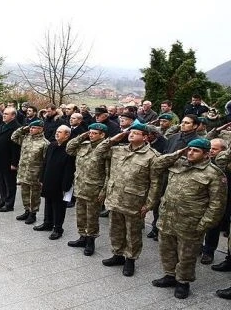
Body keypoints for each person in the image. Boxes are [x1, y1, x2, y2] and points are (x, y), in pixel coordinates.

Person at [150, 138, 227, 299]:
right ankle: (170, 276)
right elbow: (157, 164)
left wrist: (203, 225)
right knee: (167, 250)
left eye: (196, 150)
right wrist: (178, 152)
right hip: (167, 218)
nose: (190, 153)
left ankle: (183, 282)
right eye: (189, 149)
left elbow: (217, 205)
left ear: (206, 154)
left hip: (191, 223)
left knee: (186, 256)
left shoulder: (213, 173)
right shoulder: (178, 163)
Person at [95, 124, 161, 277]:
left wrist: (149, 204)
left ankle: (130, 259)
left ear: (145, 137)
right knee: (115, 229)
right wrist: (114, 138)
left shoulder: (152, 155)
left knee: (133, 232)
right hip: (115, 197)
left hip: (134, 201)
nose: (131, 135)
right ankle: (117, 254)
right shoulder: (119, 149)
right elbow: (99, 151)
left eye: (136, 133)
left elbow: (156, 183)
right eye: (130, 132)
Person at [65, 123, 109, 256]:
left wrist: (104, 191)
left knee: (92, 217)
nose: (91, 135)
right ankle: (82, 237)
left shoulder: (106, 149)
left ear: (102, 135)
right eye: (90, 132)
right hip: (80, 186)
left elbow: (108, 173)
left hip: (94, 190)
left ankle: (91, 241)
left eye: (94, 133)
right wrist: (82, 135)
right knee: (80, 215)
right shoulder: (83, 145)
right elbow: (69, 148)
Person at [37, 125, 75, 239]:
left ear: (67, 135)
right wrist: (42, 178)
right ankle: (47, 223)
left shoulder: (69, 149)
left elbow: (70, 169)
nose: (57, 133)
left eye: (60, 132)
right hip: (49, 179)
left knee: (58, 206)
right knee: (48, 202)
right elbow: (45, 163)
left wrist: (66, 186)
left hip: (60, 182)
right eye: (57, 131)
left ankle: (58, 228)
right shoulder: (52, 145)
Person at [11, 120, 49, 224]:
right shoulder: (26, 138)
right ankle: (27, 210)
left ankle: (33, 214)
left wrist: (42, 177)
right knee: (24, 192)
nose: (31, 129)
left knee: (34, 195)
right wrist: (23, 128)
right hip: (23, 171)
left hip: (35, 174)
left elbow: (46, 161)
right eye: (30, 128)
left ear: (40, 129)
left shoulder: (44, 143)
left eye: (34, 128)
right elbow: (13, 137)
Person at [200, 138, 231, 264]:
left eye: (215, 149)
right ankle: (197, 247)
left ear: (223, 151)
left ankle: (208, 251)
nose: (211, 151)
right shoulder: (204, 159)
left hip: (219, 200)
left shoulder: (225, 164)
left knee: (213, 226)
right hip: (202, 198)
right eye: (210, 148)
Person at [0, 107, 20, 212]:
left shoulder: (17, 128)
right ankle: (2, 200)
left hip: (9, 161)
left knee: (10, 184)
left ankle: (9, 204)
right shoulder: (3, 125)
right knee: (1, 182)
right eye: (3, 113)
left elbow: (16, 148)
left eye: (6, 114)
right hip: (0, 159)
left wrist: (14, 163)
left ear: (13, 116)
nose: (4, 115)